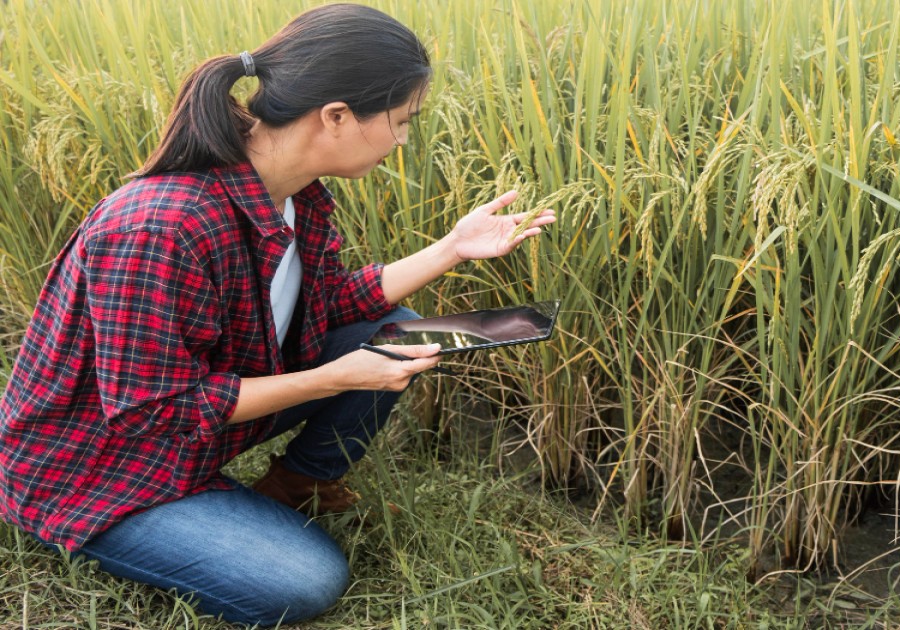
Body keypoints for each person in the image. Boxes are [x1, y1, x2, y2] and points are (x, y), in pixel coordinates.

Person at [0, 4, 554, 626]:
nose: (403, 142)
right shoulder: (160, 227)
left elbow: (323, 309)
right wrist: (340, 377)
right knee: (302, 581)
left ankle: (296, 485)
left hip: (188, 431)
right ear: (337, 116)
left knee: (391, 330)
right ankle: (156, 520)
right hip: (100, 469)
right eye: (400, 122)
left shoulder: (295, 197)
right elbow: (151, 410)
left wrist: (452, 247)